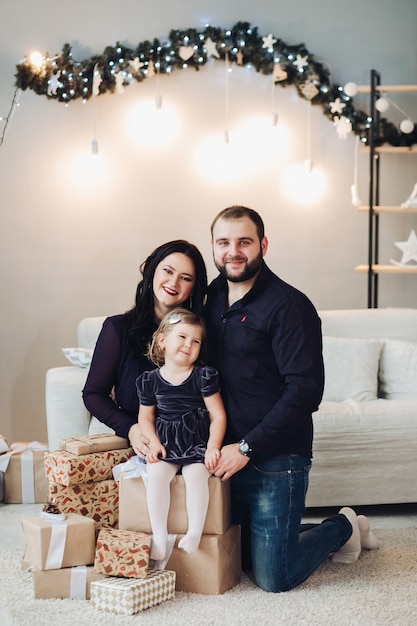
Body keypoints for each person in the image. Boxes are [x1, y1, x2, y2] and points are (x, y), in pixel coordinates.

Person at [204, 205, 380, 593]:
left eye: (244, 242)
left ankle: (345, 524)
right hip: (223, 455)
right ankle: (295, 531)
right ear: (214, 248)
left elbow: (305, 391)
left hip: (275, 457)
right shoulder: (211, 297)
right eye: (224, 242)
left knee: (273, 576)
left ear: (263, 245)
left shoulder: (289, 306)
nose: (233, 251)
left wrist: (247, 447)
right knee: (241, 558)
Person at [82, 240, 208, 455]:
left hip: (194, 447)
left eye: (185, 278)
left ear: (194, 288)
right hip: (139, 447)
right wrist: (131, 429)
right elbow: (93, 394)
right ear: (152, 272)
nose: (174, 282)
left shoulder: (201, 335)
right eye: (167, 271)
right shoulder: (117, 329)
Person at [137, 307, 226, 561]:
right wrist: (152, 441)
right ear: (163, 341)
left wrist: (213, 446)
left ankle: (195, 531)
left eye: (196, 341)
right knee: (156, 475)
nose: (189, 345)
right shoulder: (150, 380)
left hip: (196, 441)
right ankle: (159, 535)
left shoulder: (202, 377)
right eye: (182, 337)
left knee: (196, 475)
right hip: (165, 443)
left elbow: (217, 415)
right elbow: (145, 417)